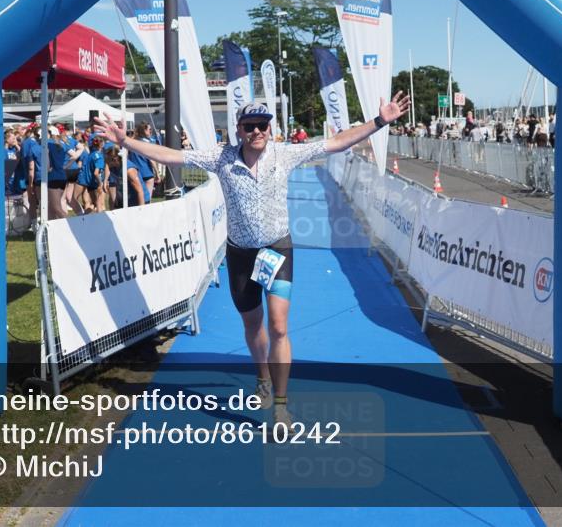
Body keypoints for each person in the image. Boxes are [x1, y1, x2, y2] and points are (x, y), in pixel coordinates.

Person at [94, 94, 411, 425]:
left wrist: (379, 121)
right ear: (239, 129)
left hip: (278, 249)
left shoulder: (284, 153)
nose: (257, 131)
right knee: (253, 324)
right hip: (241, 255)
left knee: (278, 325)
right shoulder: (222, 158)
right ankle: (262, 376)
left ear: (269, 128)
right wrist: (125, 141)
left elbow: (335, 143)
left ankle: (281, 406)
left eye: (263, 125)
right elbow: (173, 156)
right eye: (250, 126)